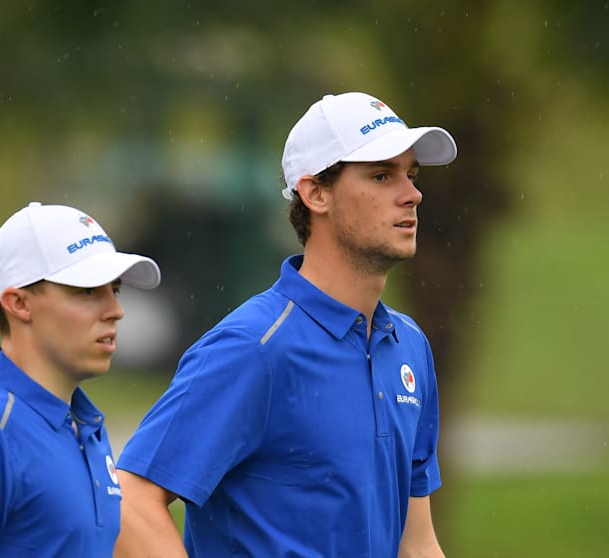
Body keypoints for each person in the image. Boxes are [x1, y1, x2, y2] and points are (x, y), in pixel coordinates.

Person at [114, 92, 457, 557]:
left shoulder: (410, 346)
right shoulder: (254, 347)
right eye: (381, 175)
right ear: (315, 193)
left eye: (411, 176)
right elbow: (132, 500)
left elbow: (416, 544)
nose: (412, 194)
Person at [0, 202, 161, 557]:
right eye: (88, 291)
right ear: (18, 304)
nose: (115, 310)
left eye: (115, 290)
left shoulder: (86, 428)